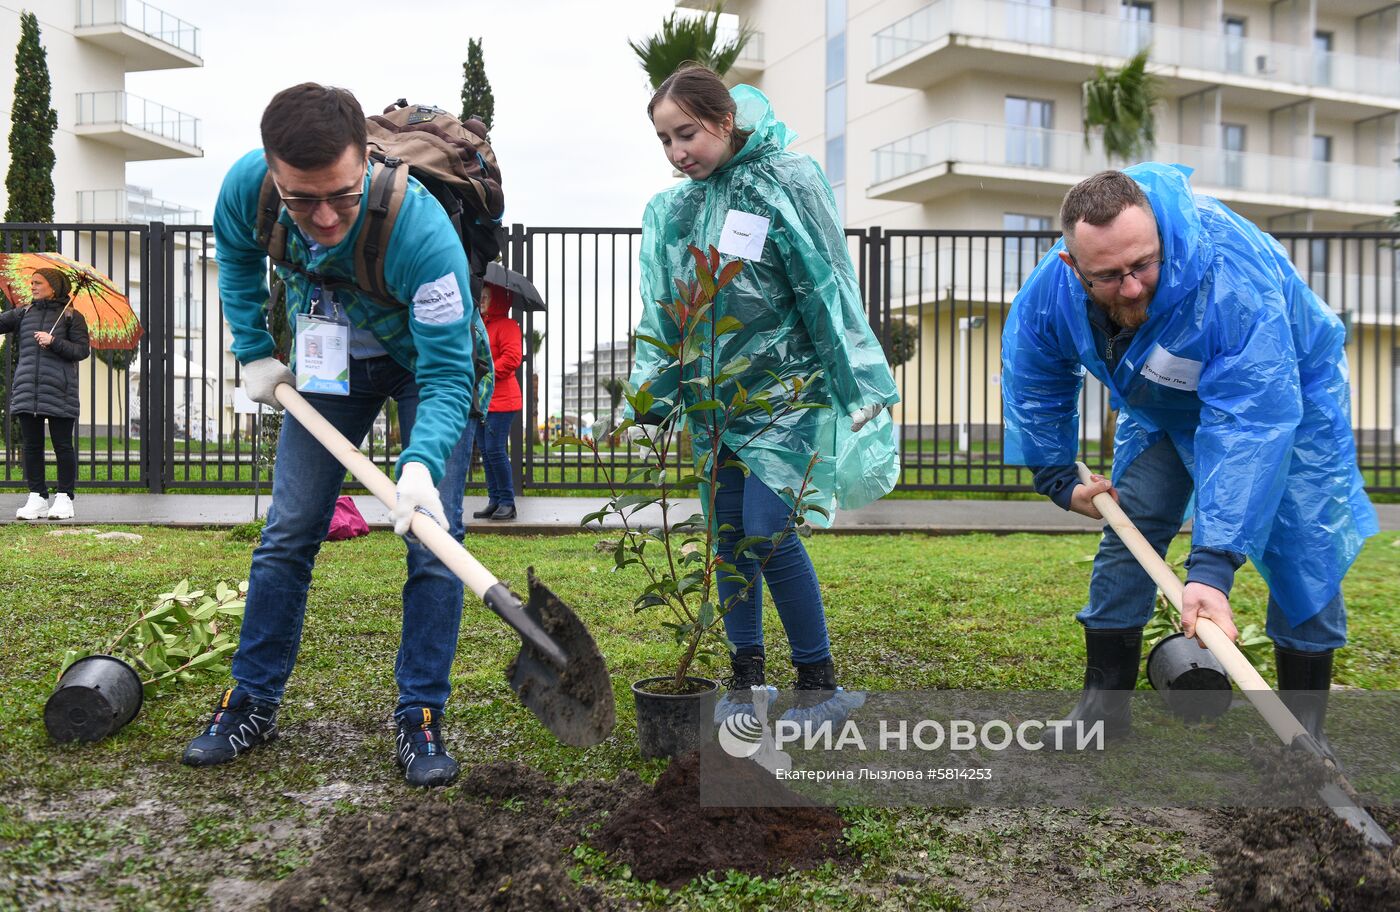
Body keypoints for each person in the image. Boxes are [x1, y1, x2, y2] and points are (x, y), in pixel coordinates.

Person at [1001, 164, 1378, 756]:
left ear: (1158, 236)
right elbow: (1036, 372)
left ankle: (1307, 736)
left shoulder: (1227, 272)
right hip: (1164, 408)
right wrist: (1053, 473)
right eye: (1109, 275)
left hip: (1286, 400)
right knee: (1133, 526)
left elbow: (1252, 415)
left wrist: (1211, 567)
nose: (1130, 288)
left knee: (1304, 543)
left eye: (1143, 265)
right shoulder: (1054, 288)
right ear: (1073, 266)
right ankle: (1103, 708)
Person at [183, 83, 488, 787]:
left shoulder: (421, 230)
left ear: (365, 166)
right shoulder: (247, 188)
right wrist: (254, 348)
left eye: (342, 196)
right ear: (272, 171)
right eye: (301, 199)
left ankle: (421, 715)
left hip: (423, 363)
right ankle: (250, 702)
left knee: (436, 542)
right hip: (330, 365)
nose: (322, 216)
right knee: (289, 528)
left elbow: (448, 376)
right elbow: (234, 253)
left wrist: (418, 467)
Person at [629, 65, 900, 718]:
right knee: (727, 536)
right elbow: (664, 307)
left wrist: (857, 379)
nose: (676, 153)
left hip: (788, 394)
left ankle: (820, 684)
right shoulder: (678, 209)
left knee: (767, 531)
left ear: (724, 120)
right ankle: (746, 681)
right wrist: (654, 392)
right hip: (714, 402)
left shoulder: (787, 180)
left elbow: (826, 283)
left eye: (686, 134)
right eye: (664, 140)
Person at [0, 268, 89, 521]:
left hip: (60, 391)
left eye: (38, 283)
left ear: (54, 286)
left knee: (62, 446)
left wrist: (54, 342)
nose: (32, 286)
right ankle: (37, 497)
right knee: (32, 446)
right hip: (28, 388)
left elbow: (82, 350)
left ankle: (64, 498)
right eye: (32, 282)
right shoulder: (24, 313)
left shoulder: (72, 316)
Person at [471, 285, 522, 521]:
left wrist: (486, 372)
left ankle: (507, 501)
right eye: (481, 295)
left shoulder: (508, 326)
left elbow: (512, 358)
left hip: (503, 399)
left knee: (495, 449)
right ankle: (494, 499)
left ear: (499, 300)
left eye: (487, 296)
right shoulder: (483, 325)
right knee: (486, 450)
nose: (482, 299)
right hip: (484, 399)